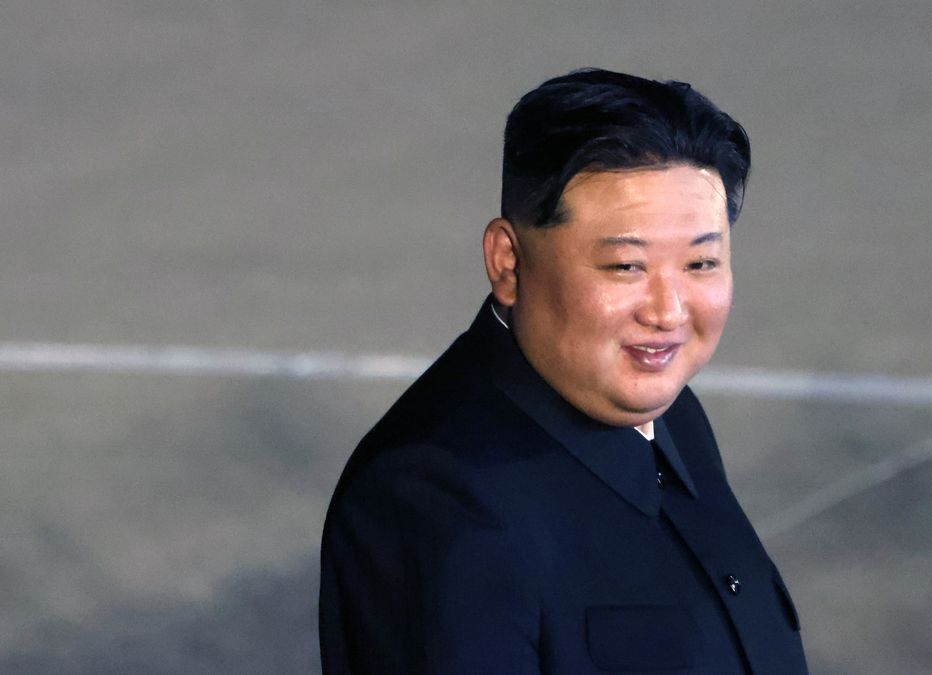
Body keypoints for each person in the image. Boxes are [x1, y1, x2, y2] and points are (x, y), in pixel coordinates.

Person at [319, 68, 809, 674]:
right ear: (508, 261)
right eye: (627, 267)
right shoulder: (437, 501)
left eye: (701, 263)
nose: (669, 312)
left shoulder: (667, 412)